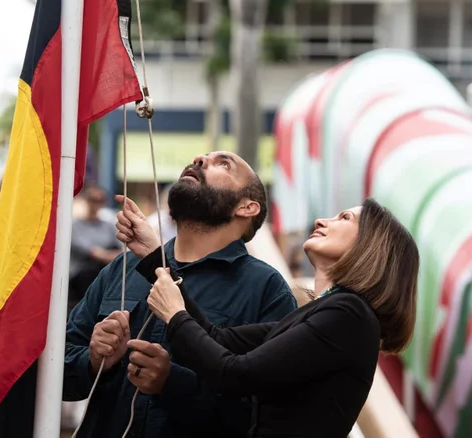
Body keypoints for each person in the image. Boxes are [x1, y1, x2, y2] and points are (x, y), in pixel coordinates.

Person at [118, 198, 419, 438]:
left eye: (345, 218)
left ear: (371, 247)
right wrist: (154, 257)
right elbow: (218, 338)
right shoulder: (331, 313)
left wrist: (176, 315)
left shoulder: (349, 314)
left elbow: (235, 375)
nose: (321, 221)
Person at [63, 152, 297, 438]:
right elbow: (57, 377)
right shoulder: (123, 269)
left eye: (224, 164)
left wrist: (172, 384)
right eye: (203, 157)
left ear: (247, 207)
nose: (199, 159)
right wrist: (94, 360)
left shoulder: (267, 290)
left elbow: (268, 417)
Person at [68, 185, 121, 302]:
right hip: (81, 276)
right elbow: (92, 252)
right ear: (85, 201)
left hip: (105, 271)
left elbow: (122, 249)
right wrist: (110, 255)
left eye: (100, 200)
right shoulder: (75, 226)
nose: (95, 204)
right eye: (92, 200)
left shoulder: (108, 225)